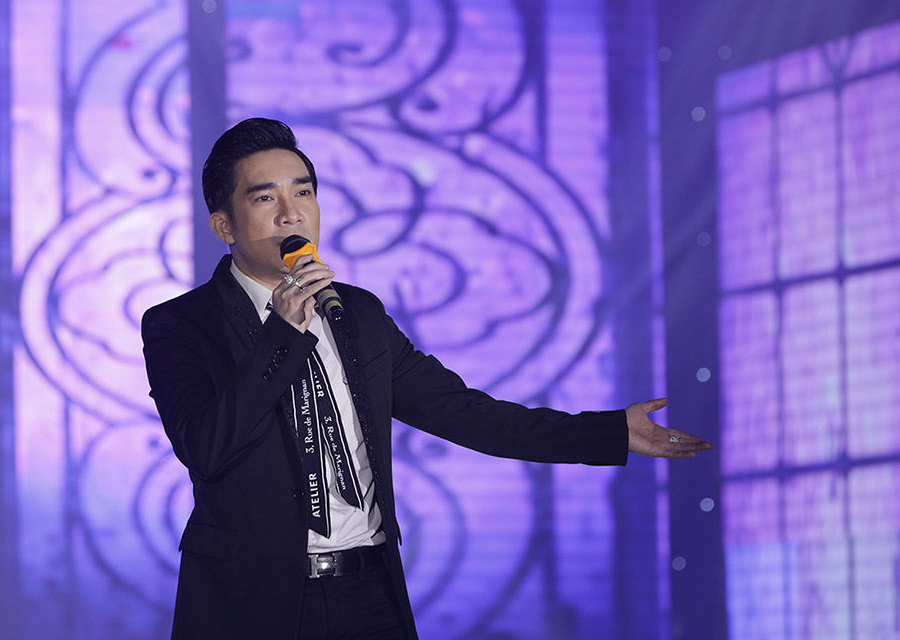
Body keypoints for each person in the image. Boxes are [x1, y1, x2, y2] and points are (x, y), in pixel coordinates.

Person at [140, 118, 714, 639]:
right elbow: (206, 446)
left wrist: (609, 432)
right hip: (251, 605)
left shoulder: (356, 313)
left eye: (304, 192)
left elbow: (465, 413)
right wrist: (283, 334)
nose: (291, 214)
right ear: (223, 224)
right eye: (266, 197)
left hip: (370, 593)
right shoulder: (180, 325)